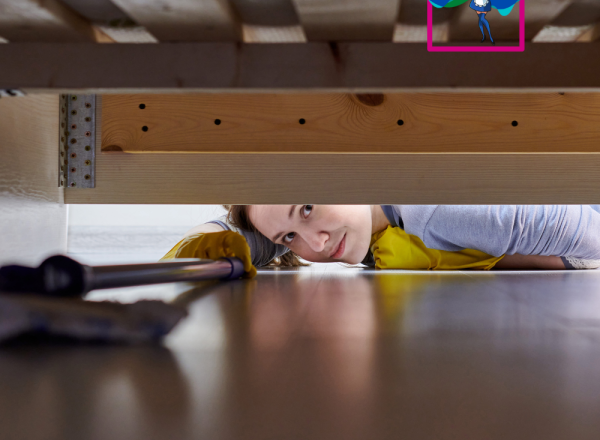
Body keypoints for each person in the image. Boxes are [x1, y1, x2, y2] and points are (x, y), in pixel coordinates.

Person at [162, 205, 600, 274]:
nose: (315, 244)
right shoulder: (370, 227)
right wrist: (211, 239)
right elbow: (267, 235)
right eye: (291, 236)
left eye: (309, 207)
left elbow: (590, 233)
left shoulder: (438, 212)